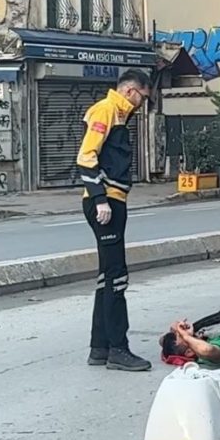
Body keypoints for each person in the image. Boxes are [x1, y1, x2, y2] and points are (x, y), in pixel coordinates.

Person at [77, 69, 153, 372]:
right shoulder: (106, 110)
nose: (142, 105)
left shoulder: (119, 115)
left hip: (112, 200)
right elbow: (86, 156)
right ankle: (118, 350)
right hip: (105, 203)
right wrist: (99, 199)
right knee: (117, 277)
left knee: (106, 275)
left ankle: (100, 347)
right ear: (131, 91)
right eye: (142, 98)